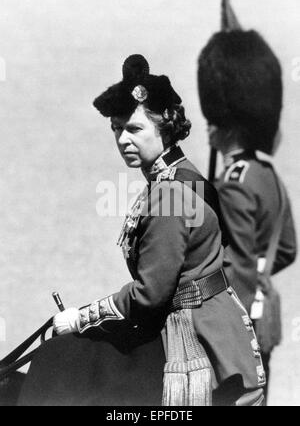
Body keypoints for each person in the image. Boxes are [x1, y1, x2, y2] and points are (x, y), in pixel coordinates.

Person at [20, 55, 265, 406]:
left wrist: (80, 317)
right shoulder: (182, 176)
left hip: (192, 338)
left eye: (134, 129)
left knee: (64, 363)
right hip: (210, 326)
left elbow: (150, 295)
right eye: (117, 129)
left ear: (164, 128)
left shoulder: (169, 194)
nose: (122, 140)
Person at [198, 29, 297, 402]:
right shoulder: (268, 176)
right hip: (263, 311)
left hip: (238, 323)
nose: (209, 126)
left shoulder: (235, 182)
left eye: (215, 121)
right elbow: (286, 249)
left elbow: (234, 268)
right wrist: (260, 272)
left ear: (229, 124)